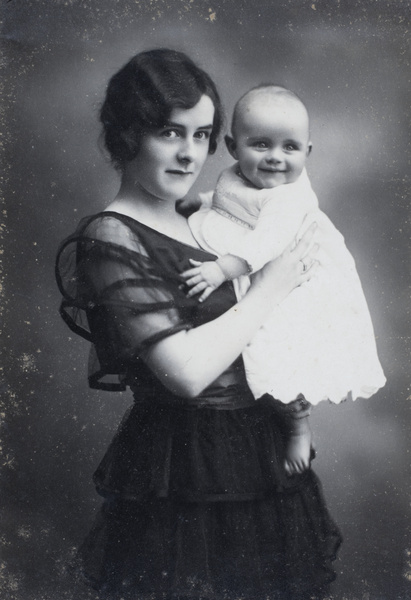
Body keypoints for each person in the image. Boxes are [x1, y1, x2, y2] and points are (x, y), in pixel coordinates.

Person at [56, 49, 342, 600]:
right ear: (127, 135)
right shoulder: (112, 236)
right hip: (184, 466)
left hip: (261, 447)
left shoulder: (204, 217)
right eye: (170, 132)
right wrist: (272, 285)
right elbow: (185, 374)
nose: (190, 154)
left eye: (202, 134)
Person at [184, 85, 386, 476]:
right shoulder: (241, 176)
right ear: (232, 146)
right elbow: (232, 196)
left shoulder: (290, 199)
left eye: (289, 148)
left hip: (290, 278)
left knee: (280, 353)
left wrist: (220, 269)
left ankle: (298, 424)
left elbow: (267, 241)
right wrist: (203, 202)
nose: (275, 157)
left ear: (307, 152)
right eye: (260, 144)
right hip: (257, 266)